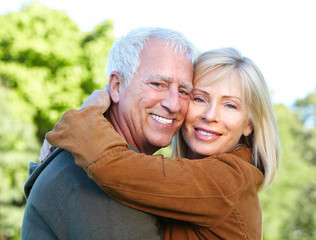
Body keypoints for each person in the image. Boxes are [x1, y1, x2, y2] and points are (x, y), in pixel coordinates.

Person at [46, 47, 281, 239]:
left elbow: (112, 167)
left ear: (249, 124)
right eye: (199, 98)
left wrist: (86, 114)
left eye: (230, 105)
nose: (211, 115)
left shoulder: (225, 180)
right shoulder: (195, 175)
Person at [21, 27, 196, 240]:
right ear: (116, 86)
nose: (174, 104)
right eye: (158, 84)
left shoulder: (114, 165)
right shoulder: (96, 179)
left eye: (183, 91)